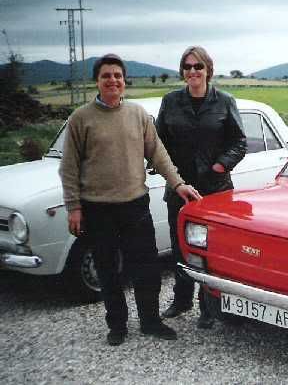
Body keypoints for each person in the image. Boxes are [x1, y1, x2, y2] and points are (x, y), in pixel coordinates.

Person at [59, 53, 201, 346]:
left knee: (146, 268)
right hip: (97, 209)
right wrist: (74, 207)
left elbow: (158, 154)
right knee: (109, 269)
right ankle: (117, 326)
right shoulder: (80, 118)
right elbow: (69, 167)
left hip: (135, 205)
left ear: (125, 81)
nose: (112, 80)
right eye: (106, 76)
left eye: (117, 76)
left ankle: (150, 321)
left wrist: (178, 184)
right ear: (97, 82)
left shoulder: (138, 115)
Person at [155, 46, 247, 328]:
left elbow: (239, 142)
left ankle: (209, 307)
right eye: (187, 66)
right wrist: (172, 176)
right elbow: (159, 143)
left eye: (198, 67)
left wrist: (219, 166)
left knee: (213, 249)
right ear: (182, 71)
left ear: (208, 70)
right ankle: (181, 300)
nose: (192, 71)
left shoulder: (224, 101)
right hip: (180, 188)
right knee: (181, 246)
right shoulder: (170, 102)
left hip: (216, 189)